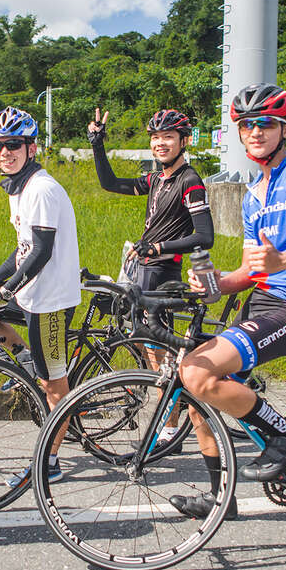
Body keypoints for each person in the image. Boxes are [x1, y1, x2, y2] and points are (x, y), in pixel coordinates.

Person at [172, 84, 286, 520]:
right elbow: (252, 271)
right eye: (246, 124)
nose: (255, 131)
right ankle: (222, 499)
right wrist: (214, 284)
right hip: (261, 301)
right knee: (195, 390)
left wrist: (283, 259)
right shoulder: (255, 194)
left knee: (197, 370)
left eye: (265, 123)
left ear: (284, 128)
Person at [87, 107, 215, 451]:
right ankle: (172, 414)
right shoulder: (157, 179)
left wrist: (160, 245)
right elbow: (110, 183)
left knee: (160, 356)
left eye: (168, 137)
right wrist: (97, 144)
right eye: (156, 138)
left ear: (184, 141)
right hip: (141, 270)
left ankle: (170, 429)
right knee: (146, 346)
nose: (160, 143)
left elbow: (205, 236)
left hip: (162, 274)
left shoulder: (190, 181)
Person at [0, 106, 81, 485]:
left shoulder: (42, 189)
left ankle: (48, 464)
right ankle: (31, 364)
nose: (4, 153)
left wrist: (7, 288)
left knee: (54, 388)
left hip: (49, 301)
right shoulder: (19, 187)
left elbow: (41, 251)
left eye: (13, 144)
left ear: (31, 148)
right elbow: (22, 248)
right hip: (32, 293)